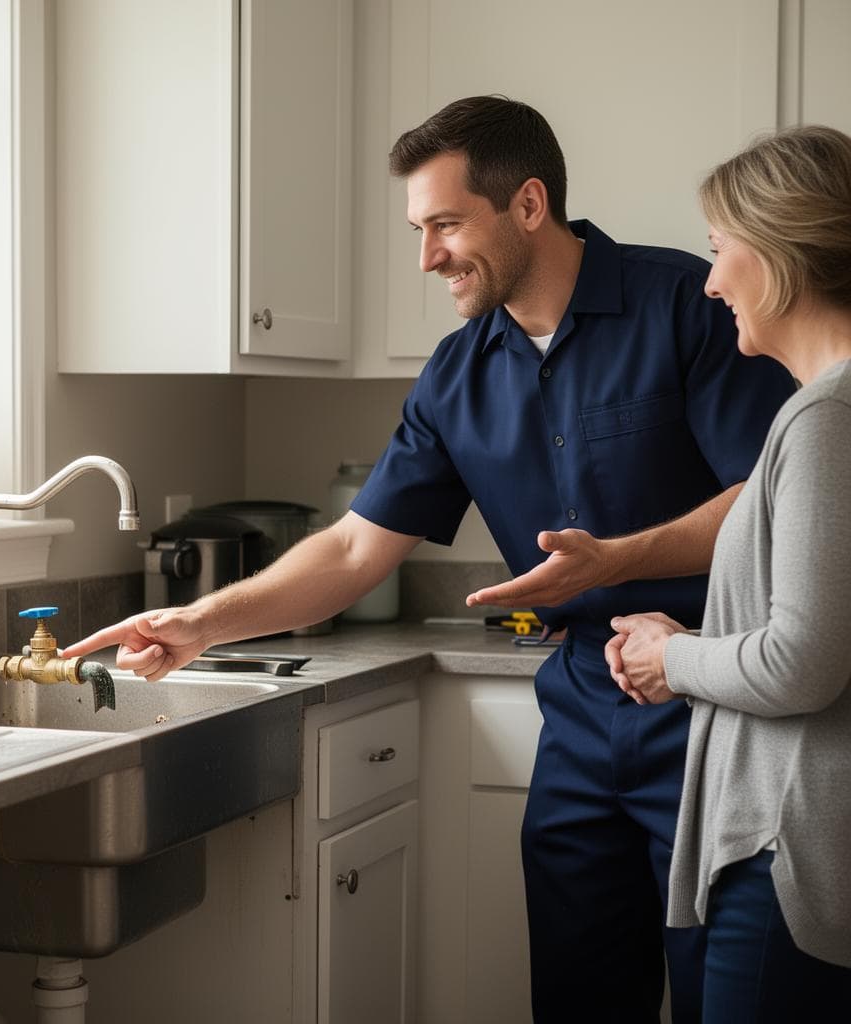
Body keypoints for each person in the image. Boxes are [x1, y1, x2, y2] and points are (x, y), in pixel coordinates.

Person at [64, 96, 795, 1021]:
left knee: (714, 994)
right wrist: (201, 623)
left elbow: (770, 494)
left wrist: (614, 560)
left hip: (709, 703)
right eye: (419, 229)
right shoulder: (456, 373)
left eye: (446, 224)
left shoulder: (686, 305)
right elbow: (355, 544)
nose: (427, 257)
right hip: (577, 713)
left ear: (529, 205)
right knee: (576, 997)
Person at [606, 125, 851, 1022]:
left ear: (780, 247)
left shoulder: (826, 419)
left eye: (719, 251)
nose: (709, 283)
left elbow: (802, 662)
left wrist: (671, 659)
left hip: (789, 852)